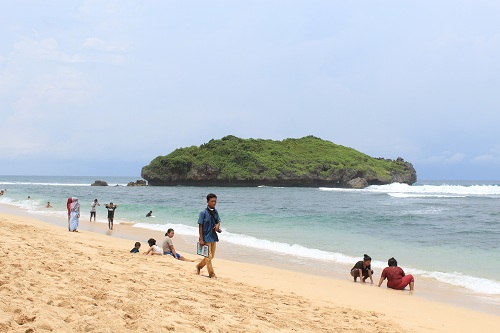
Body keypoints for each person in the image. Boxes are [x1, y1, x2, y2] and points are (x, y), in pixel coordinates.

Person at [195, 193, 221, 279]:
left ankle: (199, 266)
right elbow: (200, 226)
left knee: (211, 256)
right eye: (212, 201)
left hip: (213, 236)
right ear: (207, 202)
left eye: (215, 201)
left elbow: (218, 221)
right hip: (206, 237)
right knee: (208, 256)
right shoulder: (203, 213)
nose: (214, 203)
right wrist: (201, 239)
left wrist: (218, 225)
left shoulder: (216, 212)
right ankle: (211, 274)